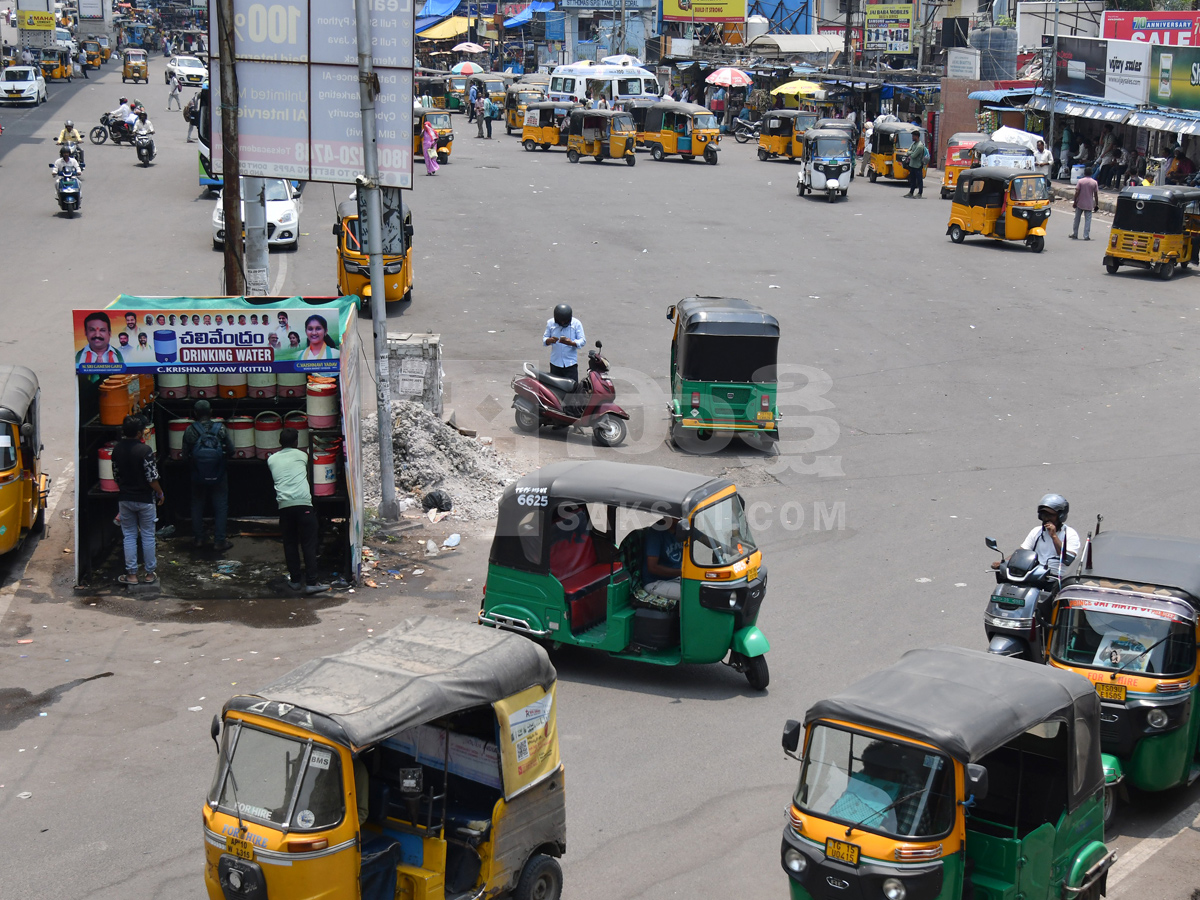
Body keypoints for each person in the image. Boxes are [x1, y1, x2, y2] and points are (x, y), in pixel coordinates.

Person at [268, 428, 328, 594]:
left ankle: (295, 581)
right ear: (296, 442)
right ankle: (311, 582)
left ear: (280, 443)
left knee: (290, 544)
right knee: (308, 544)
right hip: (303, 505)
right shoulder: (302, 455)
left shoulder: (271, 460)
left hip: (284, 507)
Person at [112, 415, 163, 586]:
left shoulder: (117, 450)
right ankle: (149, 574)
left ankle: (132, 575)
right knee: (148, 535)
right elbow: (152, 477)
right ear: (140, 432)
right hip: (145, 500)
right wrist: (160, 493)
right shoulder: (145, 450)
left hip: (125, 499)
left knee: (129, 536)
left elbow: (116, 476)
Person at [182, 400, 234, 552]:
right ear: (211, 412)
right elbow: (231, 450)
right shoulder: (221, 429)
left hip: (197, 474)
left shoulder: (189, 430)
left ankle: (198, 539)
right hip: (219, 474)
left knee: (197, 505)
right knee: (221, 506)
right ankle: (219, 541)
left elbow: (185, 456)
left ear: (195, 413)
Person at [994, 494, 1081, 576]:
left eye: (1050, 515)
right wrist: (1004, 563)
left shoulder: (1070, 534)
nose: (1046, 518)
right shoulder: (1036, 531)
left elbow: (1067, 559)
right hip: (1035, 575)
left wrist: (1054, 536)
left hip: (1056, 578)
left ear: (1060, 516)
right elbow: (1022, 552)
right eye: (1043, 515)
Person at [642, 516, 683, 602]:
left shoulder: (681, 529)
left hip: (676, 578)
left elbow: (704, 538)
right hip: (656, 582)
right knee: (692, 594)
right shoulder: (656, 533)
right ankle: (683, 616)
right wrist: (683, 572)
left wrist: (718, 546)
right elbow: (652, 567)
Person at [542, 303, 585, 383]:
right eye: (560, 321)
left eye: (564, 321)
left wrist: (572, 343)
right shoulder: (550, 323)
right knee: (555, 388)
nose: (562, 323)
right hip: (555, 363)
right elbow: (545, 339)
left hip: (570, 364)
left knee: (572, 390)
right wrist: (550, 340)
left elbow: (582, 340)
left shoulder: (576, 324)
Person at [1069, 166, 1098, 240]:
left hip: (1080, 203)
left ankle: (1075, 234)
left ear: (1084, 173)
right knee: (1088, 220)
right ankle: (1086, 235)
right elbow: (1096, 194)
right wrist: (1096, 204)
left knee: (1077, 219)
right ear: (1091, 173)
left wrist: (1075, 201)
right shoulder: (1094, 182)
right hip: (1089, 204)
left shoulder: (1080, 181)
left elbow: (1077, 192)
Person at [904, 131, 928, 198]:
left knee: (919, 180)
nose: (912, 137)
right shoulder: (914, 144)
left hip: (917, 165)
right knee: (912, 180)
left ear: (917, 136)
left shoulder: (920, 146)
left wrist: (910, 153)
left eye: (913, 136)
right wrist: (911, 152)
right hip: (912, 165)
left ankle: (920, 193)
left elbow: (914, 155)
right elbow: (907, 152)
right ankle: (911, 192)